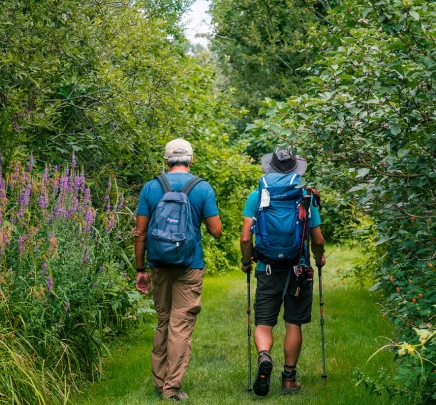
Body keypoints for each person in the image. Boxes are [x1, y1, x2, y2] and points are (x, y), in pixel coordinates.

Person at [134, 139, 222, 401]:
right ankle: (171, 389)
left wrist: (141, 269)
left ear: (166, 160)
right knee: (180, 325)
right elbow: (216, 231)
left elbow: (140, 232)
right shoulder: (202, 188)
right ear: (191, 160)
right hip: (189, 264)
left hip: (158, 264)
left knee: (163, 321)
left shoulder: (151, 188)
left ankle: (160, 382)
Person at [240, 147, 326, 396]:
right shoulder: (305, 197)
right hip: (298, 268)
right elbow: (317, 239)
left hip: (266, 267)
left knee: (264, 322)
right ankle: (289, 379)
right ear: (294, 170)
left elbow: (246, 238)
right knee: (293, 323)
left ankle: (264, 356)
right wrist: (319, 259)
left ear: (270, 168)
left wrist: (247, 261)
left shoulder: (256, 196)